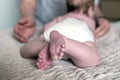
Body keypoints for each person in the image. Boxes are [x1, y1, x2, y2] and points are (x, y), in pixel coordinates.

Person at [21, 0, 100, 70]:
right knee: (93, 58)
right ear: (90, 11)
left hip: (57, 30)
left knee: (26, 49)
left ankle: (46, 45)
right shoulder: (91, 21)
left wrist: (45, 34)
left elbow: (45, 28)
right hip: (79, 38)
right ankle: (67, 43)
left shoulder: (61, 17)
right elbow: (93, 34)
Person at [14, 0, 110, 43]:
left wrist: (101, 18)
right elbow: (28, 1)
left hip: (52, 33)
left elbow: (93, 5)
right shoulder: (90, 22)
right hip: (38, 22)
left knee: (38, 44)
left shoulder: (61, 18)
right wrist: (28, 17)